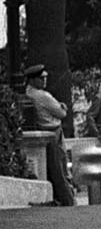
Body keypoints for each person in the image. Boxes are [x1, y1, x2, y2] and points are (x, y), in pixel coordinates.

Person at [21, 64, 74, 205]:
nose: (44, 81)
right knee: (61, 169)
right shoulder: (42, 95)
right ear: (32, 80)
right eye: (41, 78)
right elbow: (61, 113)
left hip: (44, 133)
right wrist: (62, 106)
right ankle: (68, 200)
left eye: (45, 78)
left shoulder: (29, 93)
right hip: (53, 132)